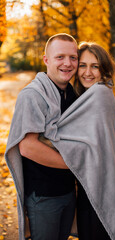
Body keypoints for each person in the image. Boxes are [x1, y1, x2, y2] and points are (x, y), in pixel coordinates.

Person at [52, 42, 115, 240]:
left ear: (104, 70)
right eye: (83, 65)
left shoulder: (100, 94)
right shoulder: (91, 95)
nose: (88, 72)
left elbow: (77, 141)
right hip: (91, 185)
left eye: (95, 66)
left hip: (100, 187)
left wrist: (47, 136)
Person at [5, 33, 78, 240]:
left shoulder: (71, 94)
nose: (67, 63)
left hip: (67, 191)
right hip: (44, 196)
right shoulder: (33, 95)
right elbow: (28, 147)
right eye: (60, 57)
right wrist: (78, 163)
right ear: (46, 60)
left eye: (73, 57)